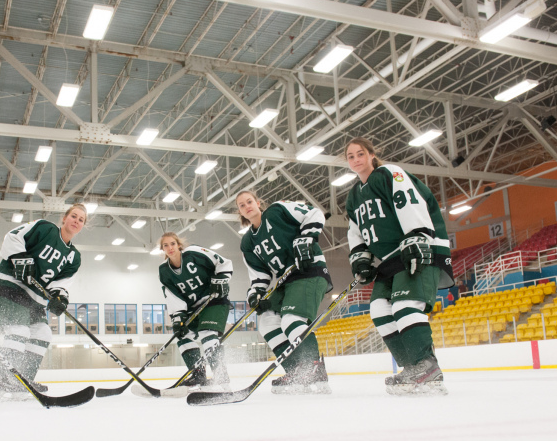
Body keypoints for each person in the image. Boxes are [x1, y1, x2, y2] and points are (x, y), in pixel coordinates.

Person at [343, 137, 454, 395]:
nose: (356, 159)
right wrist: (360, 258)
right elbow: (356, 232)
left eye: (361, 153)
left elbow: (410, 202)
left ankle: (427, 366)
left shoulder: (389, 174)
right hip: (389, 260)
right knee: (380, 310)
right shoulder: (353, 196)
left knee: (405, 305)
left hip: (417, 248)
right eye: (351, 156)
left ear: (371, 154)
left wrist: (416, 235)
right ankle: (411, 367)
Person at [0, 204, 86, 401]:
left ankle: (23, 381)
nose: (76, 221)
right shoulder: (44, 228)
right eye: (74, 216)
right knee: (18, 331)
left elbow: (61, 283)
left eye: (81, 220)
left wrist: (59, 297)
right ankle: (6, 382)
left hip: (35, 298)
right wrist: (21, 259)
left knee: (43, 332)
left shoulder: (74, 257)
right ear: (64, 218)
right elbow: (13, 236)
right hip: (11, 286)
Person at [236, 190, 333, 394]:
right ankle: (297, 372)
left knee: (291, 319)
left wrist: (306, 238)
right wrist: (256, 294)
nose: (247, 206)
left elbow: (314, 213)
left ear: (258, 202)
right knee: (267, 321)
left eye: (249, 201)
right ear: (240, 212)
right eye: (242, 205)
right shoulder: (247, 243)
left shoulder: (277, 211)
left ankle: (314, 367)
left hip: (309, 270)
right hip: (287, 280)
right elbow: (259, 275)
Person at [158, 233, 233, 391]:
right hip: (194, 309)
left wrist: (222, 279)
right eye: (166, 245)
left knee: (207, 334)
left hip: (213, 301)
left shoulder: (194, 253)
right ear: (162, 249)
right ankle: (199, 376)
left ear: (179, 245)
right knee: (182, 335)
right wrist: (177, 318)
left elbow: (222, 263)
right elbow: (172, 296)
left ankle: (222, 378)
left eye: (172, 243)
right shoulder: (164, 270)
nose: (170, 248)